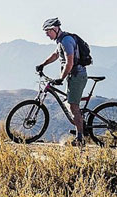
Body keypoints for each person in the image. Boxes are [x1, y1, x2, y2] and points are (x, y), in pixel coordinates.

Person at [35, 17, 87, 146]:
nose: (47, 34)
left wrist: (61, 78)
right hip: (72, 76)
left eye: (48, 31)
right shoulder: (60, 41)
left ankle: (80, 138)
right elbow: (55, 55)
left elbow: (70, 62)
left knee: (73, 106)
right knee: (68, 103)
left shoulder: (66, 41)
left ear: (55, 29)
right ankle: (79, 122)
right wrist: (43, 64)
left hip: (77, 76)